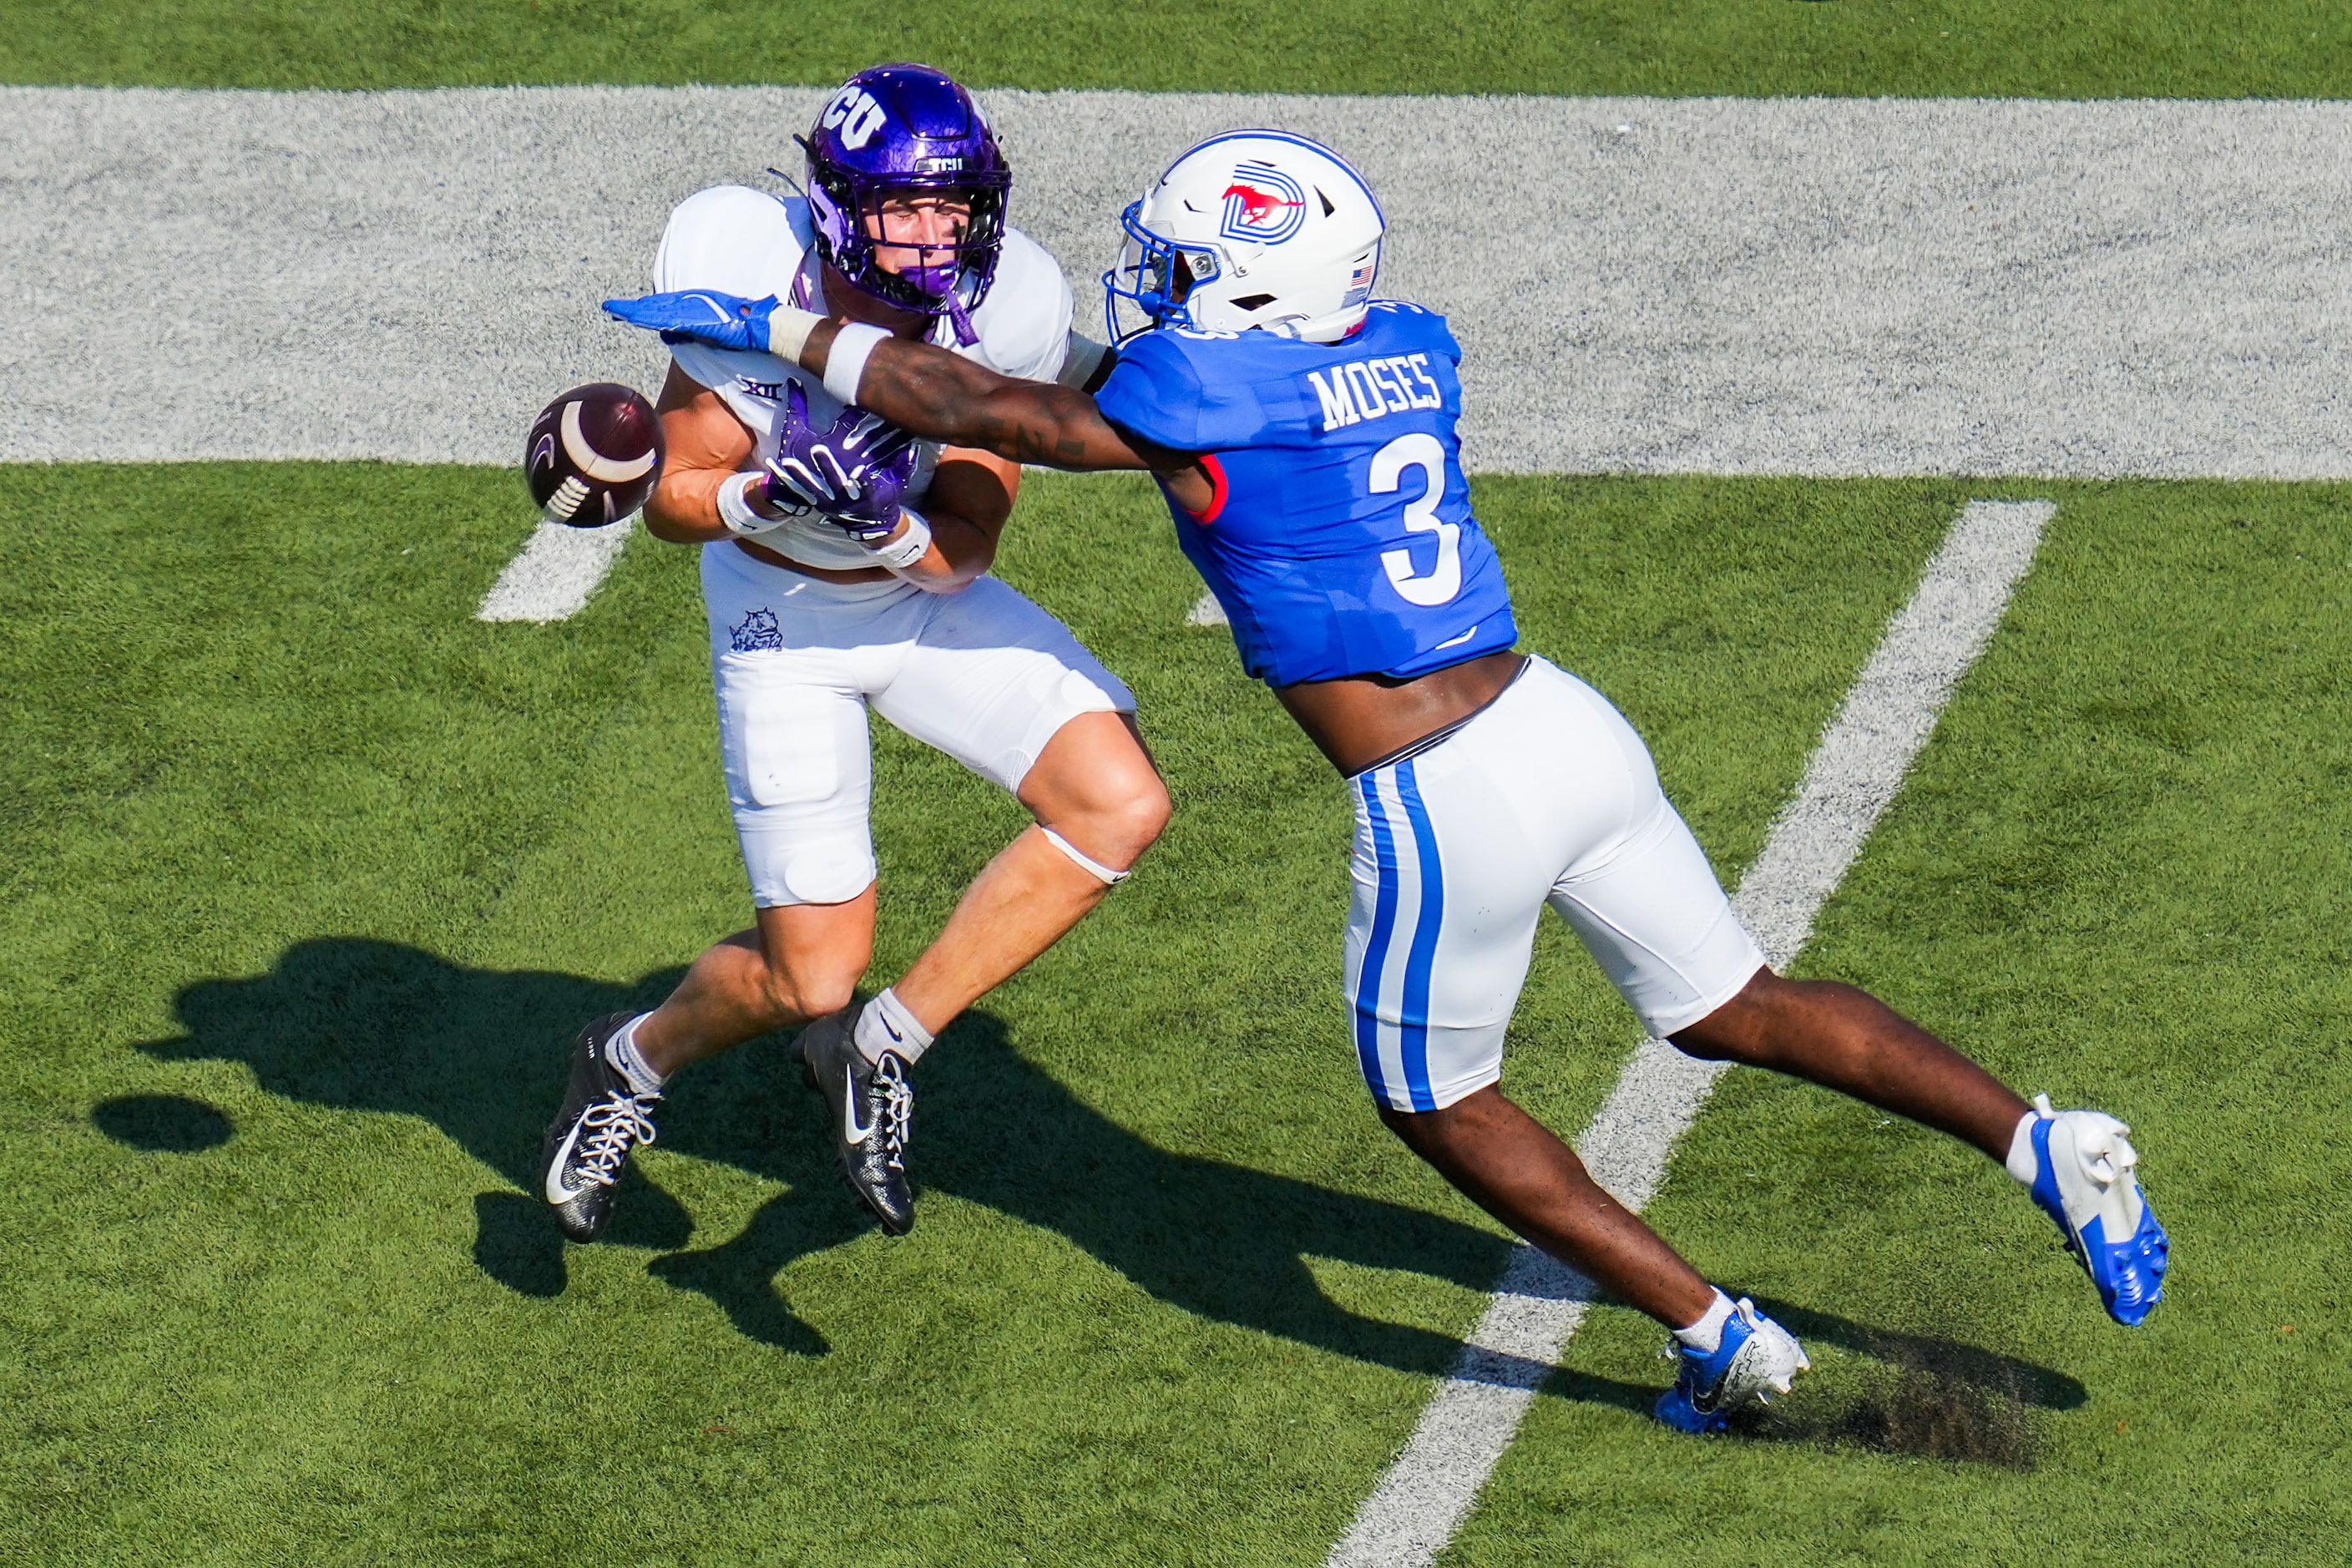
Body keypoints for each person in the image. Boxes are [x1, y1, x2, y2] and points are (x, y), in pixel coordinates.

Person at [604, 129, 2167, 1432]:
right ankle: (2042, 1137)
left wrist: (776, 328)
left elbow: (968, 409)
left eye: (1184, 262)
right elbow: (1104, 400)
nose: (1153, 283)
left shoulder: (1208, 392)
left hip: (1441, 789)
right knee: (1732, 1001)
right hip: (1562, 720)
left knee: (1438, 1102)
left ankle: (1714, 1336)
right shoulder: (1406, 343)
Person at [539, 64, 1168, 1247]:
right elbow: (674, 499)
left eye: (955, 208)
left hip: (919, 603)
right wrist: (765, 494)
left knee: (1118, 804)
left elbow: (970, 545)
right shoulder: (744, 264)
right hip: (782, 626)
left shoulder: (1011, 299)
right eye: (904, 210)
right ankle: (625, 1060)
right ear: (835, 206)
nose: (936, 237)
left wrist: (896, 530)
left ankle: (879, 1045)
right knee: (805, 975)